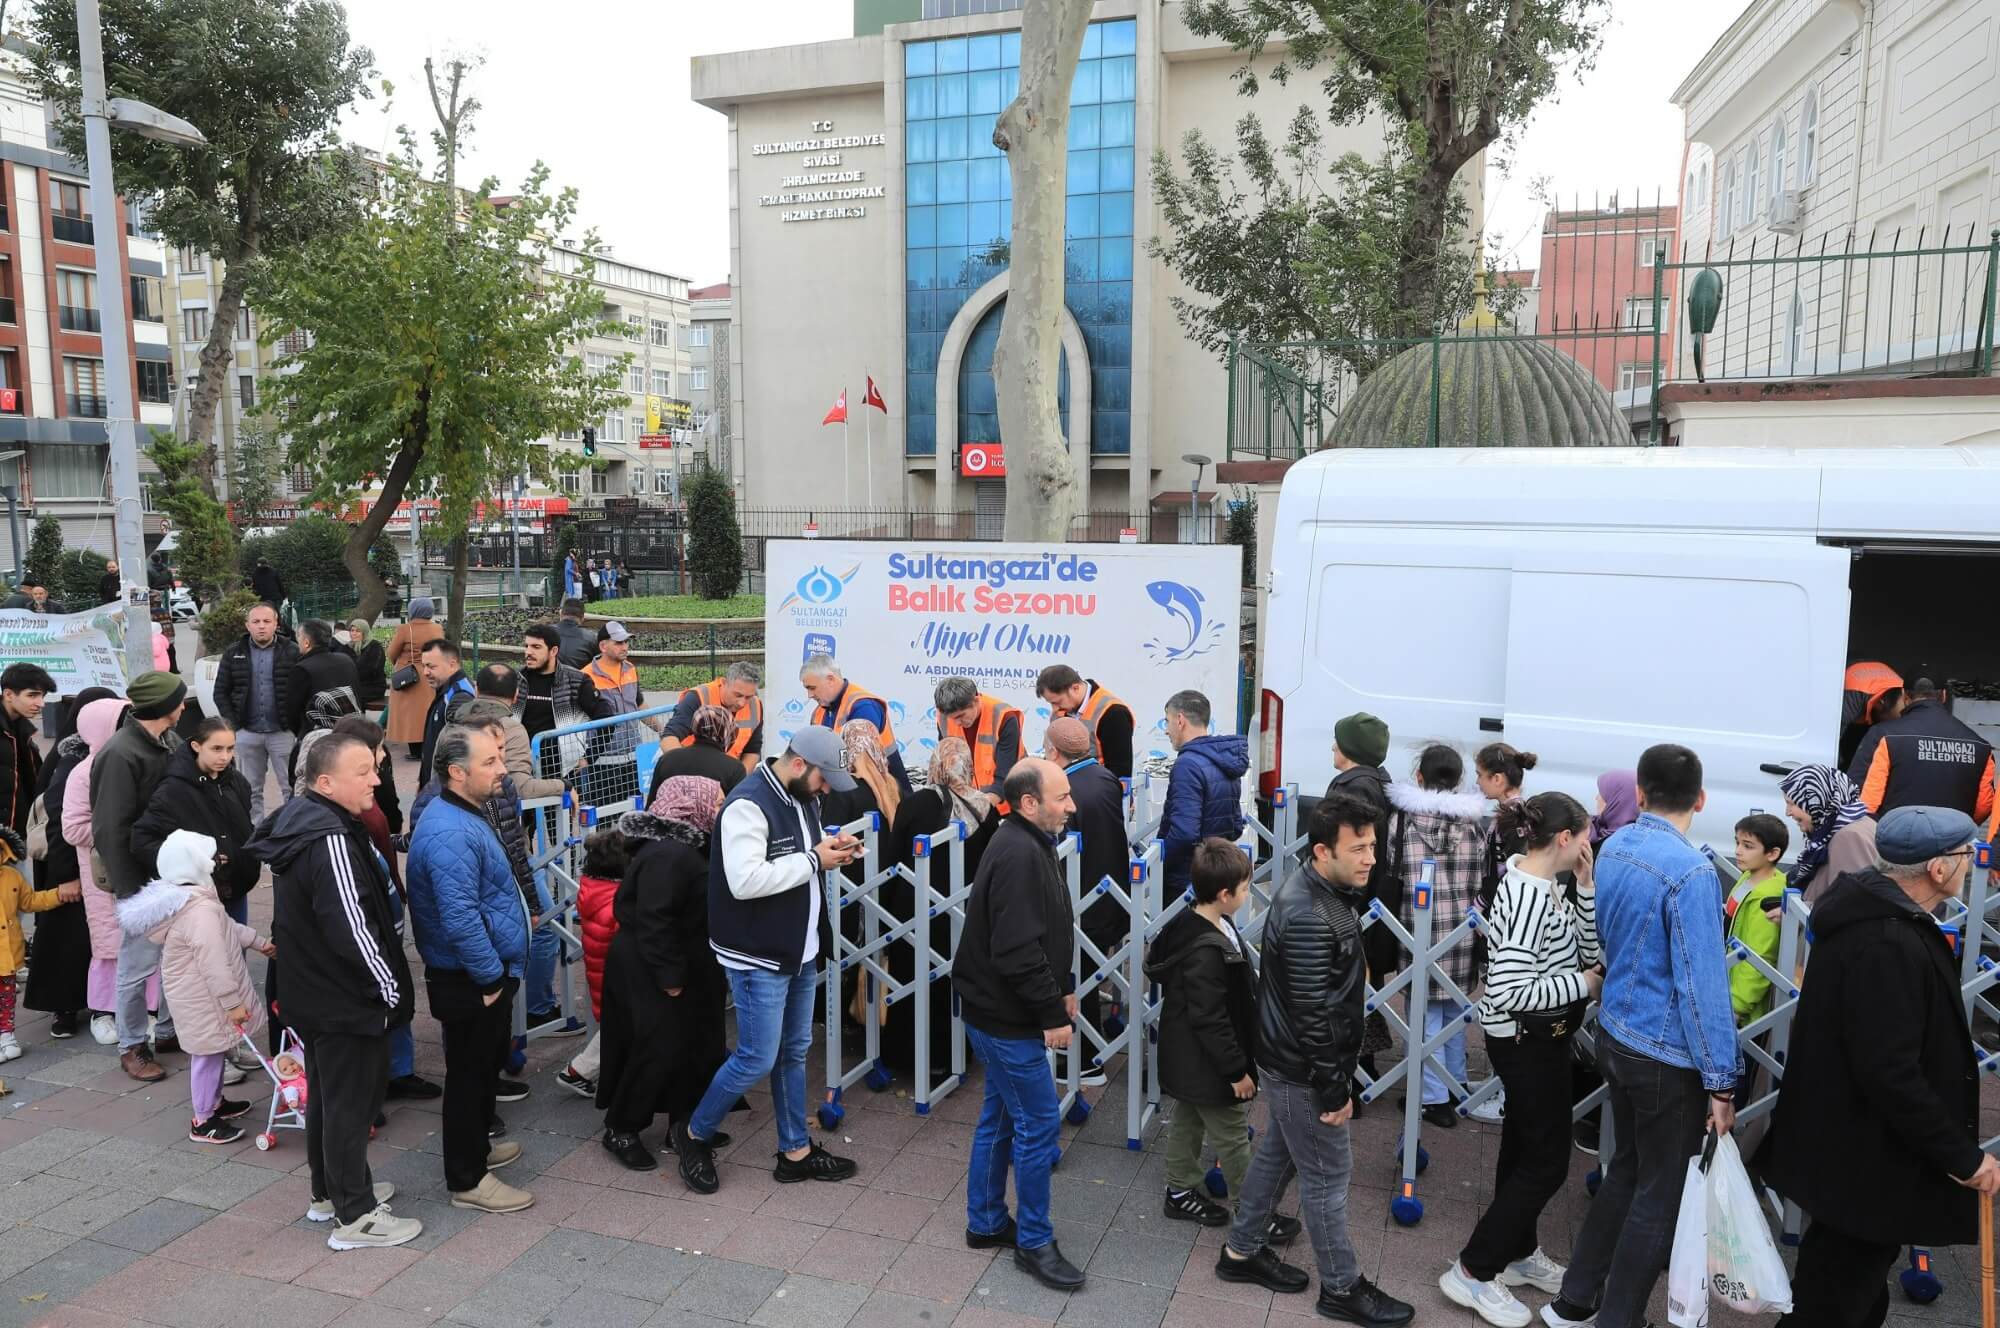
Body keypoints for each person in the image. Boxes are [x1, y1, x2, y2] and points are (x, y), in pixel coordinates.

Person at [1759, 805, 1999, 1327]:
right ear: (1938, 868)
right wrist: (1962, 1158)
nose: (1972, 866)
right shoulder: (1888, 941)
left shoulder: (1871, 916)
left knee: (1851, 1292)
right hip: (1864, 1162)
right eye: (1965, 856)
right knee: (1832, 1302)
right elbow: (1890, 1072)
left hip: (1852, 1154)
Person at [1541, 744, 1737, 1328]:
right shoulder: (1693, 871)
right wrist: (1722, 1083)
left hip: (1617, 1033)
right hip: (1664, 1053)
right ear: (1701, 800)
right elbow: (1703, 986)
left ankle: (1575, 1301)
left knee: (1626, 1172)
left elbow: (1606, 932)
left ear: (1642, 793)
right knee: (1660, 1191)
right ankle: (1617, 1318)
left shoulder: (1616, 845)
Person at [1215, 793, 1414, 1327]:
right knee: (1327, 1179)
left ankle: (1241, 1251)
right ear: (1323, 851)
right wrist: (1334, 1089)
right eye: (1359, 849)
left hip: (1290, 1064)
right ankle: (1342, 1288)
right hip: (1303, 1069)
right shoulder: (1310, 911)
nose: (1371, 858)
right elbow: (1312, 1015)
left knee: (1277, 1156)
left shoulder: (1319, 891)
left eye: (1372, 845)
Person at [672, 726, 862, 1195]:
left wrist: (832, 852)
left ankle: (795, 1150)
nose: (826, 790)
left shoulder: (803, 796)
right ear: (799, 765)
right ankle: (693, 1134)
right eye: (824, 779)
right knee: (757, 1057)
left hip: (797, 948)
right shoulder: (747, 805)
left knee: (792, 1052)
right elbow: (745, 881)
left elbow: (800, 857)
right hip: (758, 953)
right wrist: (817, 861)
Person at [1439, 792, 1599, 1326]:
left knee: (1524, 1147)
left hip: (1538, 1038)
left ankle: (1517, 1253)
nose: (1590, 841)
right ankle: (1473, 1268)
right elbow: (1510, 987)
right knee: (1547, 1161)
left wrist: (1586, 889)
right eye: (1585, 833)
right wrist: (1582, 984)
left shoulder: (1536, 881)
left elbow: (1584, 947)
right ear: (1563, 838)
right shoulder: (1529, 892)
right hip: (1526, 1040)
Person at [252, 731, 415, 1248]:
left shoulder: (310, 822)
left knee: (327, 1096)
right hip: (344, 998)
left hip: (314, 992)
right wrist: (389, 989)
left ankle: (333, 1192)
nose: (376, 778)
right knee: (349, 1104)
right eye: (364, 770)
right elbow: (353, 925)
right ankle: (356, 1215)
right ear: (325, 782)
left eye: (375, 767)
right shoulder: (330, 837)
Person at [952, 758, 1085, 1291]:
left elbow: (1049, 926)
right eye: (1061, 797)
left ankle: (985, 1222)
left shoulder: (1027, 842)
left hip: (1001, 1010)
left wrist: (1066, 982)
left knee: (1002, 1116)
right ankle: (1033, 1242)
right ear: (1029, 803)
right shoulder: (1018, 853)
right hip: (1006, 1019)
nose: (1071, 805)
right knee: (1037, 1124)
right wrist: (1050, 1011)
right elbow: (1016, 950)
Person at [406, 725, 534, 1215]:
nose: (502, 769)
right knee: (468, 1075)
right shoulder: (449, 830)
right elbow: (459, 917)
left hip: (479, 971)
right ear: (457, 773)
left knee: (481, 1068)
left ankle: (477, 1148)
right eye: (490, 762)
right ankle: (468, 1179)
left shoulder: (461, 814)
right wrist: (488, 979)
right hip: (469, 976)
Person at [1149, 839, 1291, 1236]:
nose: (1248, 895)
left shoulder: (1201, 921)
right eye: (1245, 889)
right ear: (1225, 894)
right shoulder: (1207, 948)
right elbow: (1210, 1018)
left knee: (1189, 1121)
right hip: (1210, 1062)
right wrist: (1235, 1070)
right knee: (1231, 1137)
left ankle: (1179, 1190)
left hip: (1192, 1058)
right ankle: (1252, 1213)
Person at [596, 777, 730, 1170]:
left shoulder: (687, 845)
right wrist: (670, 977)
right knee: (655, 1048)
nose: (722, 806)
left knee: (686, 1047)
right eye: (717, 799)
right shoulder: (670, 854)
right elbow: (655, 921)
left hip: (672, 962)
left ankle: (681, 1122)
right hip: (652, 967)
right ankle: (621, 1127)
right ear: (694, 803)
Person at [117, 830, 267, 1143]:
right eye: (210, 858)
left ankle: (214, 1104)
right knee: (207, 1055)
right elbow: (213, 960)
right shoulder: (199, 911)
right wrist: (232, 1003)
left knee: (213, 1050)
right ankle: (203, 1119)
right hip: (204, 997)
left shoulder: (191, 901)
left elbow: (228, 928)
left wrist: (259, 943)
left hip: (198, 994)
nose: (216, 862)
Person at [881, 736, 1000, 1079]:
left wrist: (885, 915)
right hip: (965, 911)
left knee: (912, 981)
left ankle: (906, 1056)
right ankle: (956, 1054)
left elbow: (894, 860)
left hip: (914, 910)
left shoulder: (916, 803)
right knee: (959, 982)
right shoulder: (985, 808)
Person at [1386, 743, 1491, 1129]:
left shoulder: (1402, 821)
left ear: (1419, 778)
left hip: (1418, 930)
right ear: (1459, 781)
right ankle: (1456, 1083)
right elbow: (1482, 876)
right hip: (1462, 931)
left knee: (1425, 1013)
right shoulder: (1473, 826)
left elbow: (1393, 870)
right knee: (1453, 1013)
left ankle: (1432, 1098)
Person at [93, 671, 187, 1082]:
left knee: (178, 958)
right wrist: (131, 890)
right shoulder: (120, 752)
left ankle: (167, 1031)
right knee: (136, 967)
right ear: (164, 707)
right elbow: (109, 828)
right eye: (180, 700)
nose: (185, 707)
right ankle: (131, 1045)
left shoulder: (169, 741)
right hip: (142, 883)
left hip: (173, 872)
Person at [23, 686, 117, 1041]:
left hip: (76, 867)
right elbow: (64, 823)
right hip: (68, 868)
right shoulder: (73, 760)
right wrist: (67, 878)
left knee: (77, 938)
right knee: (68, 939)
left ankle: (79, 1003)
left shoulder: (84, 752)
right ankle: (64, 1008)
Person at [1045, 716, 1126, 1080]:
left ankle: (1086, 1062)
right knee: (1090, 976)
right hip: (1110, 888)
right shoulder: (1105, 778)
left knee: (1078, 979)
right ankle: (1086, 1056)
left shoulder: (1067, 790)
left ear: (1054, 751)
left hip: (1082, 895)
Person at [132, 719, 259, 928]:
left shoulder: (237, 782)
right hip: (194, 897)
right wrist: (193, 861)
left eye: (230, 749)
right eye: (216, 748)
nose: (224, 756)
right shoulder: (172, 790)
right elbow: (142, 840)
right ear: (196, 746)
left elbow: (244, 827)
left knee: (237, 954)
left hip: (236, 887)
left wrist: (249, 853)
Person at [63, 696, 137, 1048]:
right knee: (109, 944)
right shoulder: (82, 773)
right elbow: (72, 828)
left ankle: (142, 1012)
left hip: (137, 866)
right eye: (121, 722)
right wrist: (116, 829)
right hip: (102, 874)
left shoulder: (130, 762)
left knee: (143, 940)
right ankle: (103, 1012)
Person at [1850, 677, 1995, 823]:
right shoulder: (1980, 745)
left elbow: (1863, 800)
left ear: (1905, 696)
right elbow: (1983, 807)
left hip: (1893, 839)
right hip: (1953, 840)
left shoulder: (1884, 735)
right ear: (1944, 695)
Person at [213, 603, 299, 823]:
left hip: (283, 732)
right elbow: (220, 692)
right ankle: (255, 836)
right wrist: (234, 726)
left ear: (276, 624)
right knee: (250, 790)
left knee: (292, 788)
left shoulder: (292, 651)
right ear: (247, 625)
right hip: (247, 732)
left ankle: (291, 832)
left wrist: (295, 724)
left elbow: (303, 689)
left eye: (267, 621)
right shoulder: (234, 652)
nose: (261, 626)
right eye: (256, 622)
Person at [558, 825, 627, 1099]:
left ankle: (581, 1072)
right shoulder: (615, 903)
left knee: (616, 1029)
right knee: (619, 1030)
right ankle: (577, 1072)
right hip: (616, 981)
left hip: (602, 976)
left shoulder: (593, 889)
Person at [1158, 690, 1247, 898]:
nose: (1166, 730)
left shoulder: (1188, 764)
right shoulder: (1224, 760)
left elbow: (1184, 832)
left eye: (1167, 721)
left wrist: (1158, 862)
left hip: (1185, 880)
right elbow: (1235, 827)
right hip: (1216, 876)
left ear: (1180, 720)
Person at [515, 625, 610, 782]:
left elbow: (607, 719)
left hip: (565, 773)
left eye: (536, 647)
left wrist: (589, 757)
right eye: (526, 646)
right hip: (522, 770)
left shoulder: (577, 680)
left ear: (553, 651)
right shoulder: (516, 679)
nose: (528, 652)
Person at [802, 654, 910, 791]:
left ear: (830, 679)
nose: (809, 695)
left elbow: (860, 765)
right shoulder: (819, 712)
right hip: (846, 793)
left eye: (812, 688)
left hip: (884, 796)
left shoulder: (863, 706)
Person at [581, 621, 660, 803]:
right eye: (618, 643)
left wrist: (662, 729)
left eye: (626, 642)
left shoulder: (630, 669)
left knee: (635, 814)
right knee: (605, 821)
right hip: (604, 762)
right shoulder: (586, 676)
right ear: (603, 646)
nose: (624, 647)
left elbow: (639, 705)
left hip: (633, 757)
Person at [1726, 813, 1790, 1026]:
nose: (1738, 851)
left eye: (1748, 846)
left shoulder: (1767, 898)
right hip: (1728, 983)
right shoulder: (1748, 876)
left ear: (1772, 854)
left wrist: (1737, 1005)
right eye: (1737, 842)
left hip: (1742, 1011)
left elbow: (1760, 957)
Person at [1780, 764, 1878, 903]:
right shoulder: (1848, 824)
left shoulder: (1849, 837)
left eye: (1792, 803)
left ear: (1816, 800)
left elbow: (1850, 905)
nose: (1788, 812)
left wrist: (1797, 912)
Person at [474, 665, 567, 804]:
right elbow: (520, 787)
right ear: (516, 695)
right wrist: (563, 786)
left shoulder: (452, 724)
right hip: (489, 817)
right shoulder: (511, 730)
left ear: (476, 690)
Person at [1035, 664, 1134, 780]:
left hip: (1099, 789)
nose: (1054, 709)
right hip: (1063, 787)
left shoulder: (1113, 713)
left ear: (1075, 688)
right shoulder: (1060, 710)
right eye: (1051, 703)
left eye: (1057, 702)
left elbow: (1120, 771)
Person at [664, 663, 765, 774]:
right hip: (692, 772)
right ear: (724, 683)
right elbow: (669, 738)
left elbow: (752, 751)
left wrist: (738, 779)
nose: (742, 703)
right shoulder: (698, 697)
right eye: (738, 695)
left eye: (748, 697)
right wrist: (689, 775)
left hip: (728, 776)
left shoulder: (755, 706)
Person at [933, 676, 1021, 793]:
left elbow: (1007, 770)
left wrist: (987, 802)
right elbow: (947, 764)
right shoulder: (943, 716)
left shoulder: (1003, 717)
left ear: (976, 701)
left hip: (1005, 800)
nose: (957, 723)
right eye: (952, 718)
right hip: (967, 799)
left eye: (961, 716)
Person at [647, 704, 748, 805]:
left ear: (695, 727)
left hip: (670, 819)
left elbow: (652, 804)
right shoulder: (735, 768)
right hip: (713, 820)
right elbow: (736, 810)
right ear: (728, 732)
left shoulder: (667, 759)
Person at [386, 599, 444, 758]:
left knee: (410, 715)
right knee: (426, 711)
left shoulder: (405, 629)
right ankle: (429, 747)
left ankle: (415, 752)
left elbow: (391, 653)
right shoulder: (437, 628)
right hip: (431, 673)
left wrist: (403, 663)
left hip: (409, 675)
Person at [286, 620, 362, 739]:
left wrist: (301, 733)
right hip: (349, 730)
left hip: (316, 735)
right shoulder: (346, 660)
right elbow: (357, 695)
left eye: (298, 636)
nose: (297, 641)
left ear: (306, 642)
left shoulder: (302, 668)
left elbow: (292, 711)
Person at [418, 638, 476, 780]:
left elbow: (460, 750)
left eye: (431, 667)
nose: (425, 672)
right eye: (424, 666)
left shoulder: (459, 696)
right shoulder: (447, 690)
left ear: (452, 664)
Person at [0, 664, 47, 840]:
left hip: (16, 836)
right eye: (32, 695)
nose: (40, 703)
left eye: (42, 696)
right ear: (9, 695)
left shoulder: (23, 731)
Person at [1838, 660, 1905, 772]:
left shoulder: (1903, 692)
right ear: (1881, 703)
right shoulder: (1853, 695)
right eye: (1887, 722)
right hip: (1859, 692)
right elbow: (1832, 738)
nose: (1890, 727)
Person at [350, 619, 387, 711]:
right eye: (352, 630)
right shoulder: (350, 646)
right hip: (357, 686)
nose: (354, 633)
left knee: (353, 697)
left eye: (358, 631)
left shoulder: (375, 646)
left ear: (365, 632)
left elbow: (372, 670)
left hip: (373, 686)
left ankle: (358, 723)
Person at [554, 598, 595, 670]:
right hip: (579, 679)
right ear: (582, 618)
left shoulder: (543, 633)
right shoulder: (591, 638)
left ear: (561, 614)